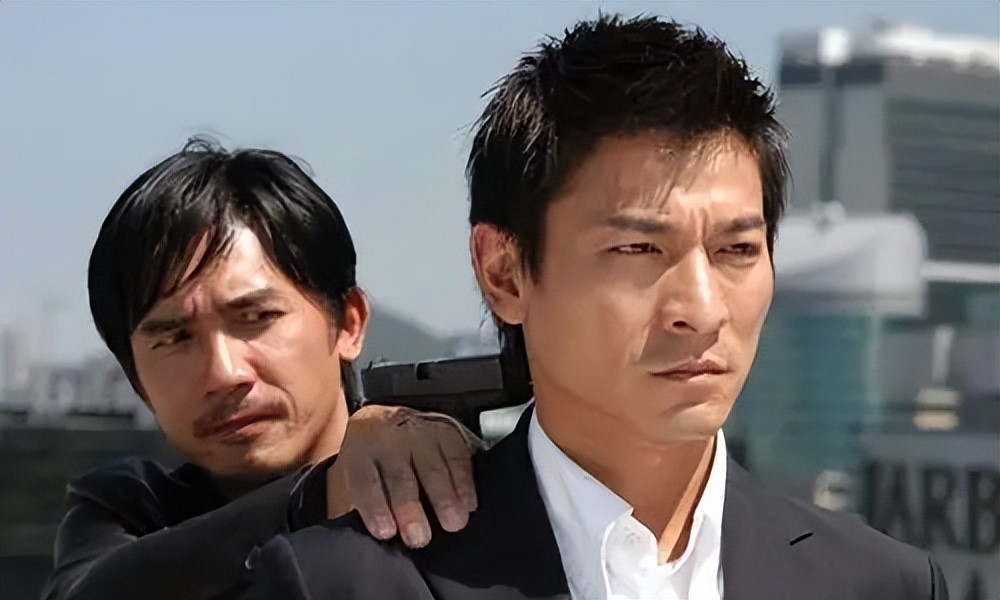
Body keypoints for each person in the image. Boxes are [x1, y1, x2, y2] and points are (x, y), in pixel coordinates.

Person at [244, 15, 949, 600]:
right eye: (638, 250)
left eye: (736, 250)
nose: (702, 310)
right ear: (504, 273)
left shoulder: (881, 584)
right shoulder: (343, 583)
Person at [42, 140, 481, 600]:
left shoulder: (449, 483)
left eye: (256, 318)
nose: (224, 373)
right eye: (174, 338)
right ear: (137, 382)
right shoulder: (130, 513)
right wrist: (322, 491)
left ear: (348, 323)